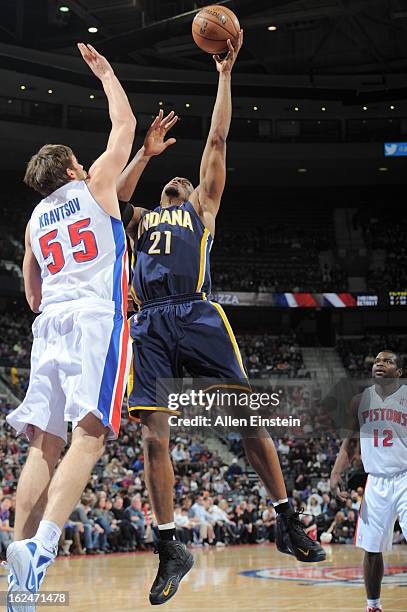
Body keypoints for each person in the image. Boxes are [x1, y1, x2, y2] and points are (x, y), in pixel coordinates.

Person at [118, 29, 324, 606]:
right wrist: (146, 153)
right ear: (162, 195)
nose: (178, 181)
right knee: (154, 440)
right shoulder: (138, 221)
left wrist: (225, 75)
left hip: (200, 313)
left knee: (245, 413)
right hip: (151, 322)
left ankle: (286, 520)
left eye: (183, 181)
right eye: (171, 182)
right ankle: (170, 547)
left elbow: (216, 138)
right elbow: (113, 199)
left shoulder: (203, 211)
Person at [5, 42, 135, 606]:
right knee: (91, 433)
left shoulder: (34, 220)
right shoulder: (94, 185)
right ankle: (44, 546)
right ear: (71, 167)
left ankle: (17, 568)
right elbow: (124, 123)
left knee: (43, 444)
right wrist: (106, 73)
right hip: (93, 322)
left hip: (49, 328)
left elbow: (31, 293)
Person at [330, 350, 407, 612]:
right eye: (376, 360)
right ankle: (373, 606)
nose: (380, 364)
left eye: (387, 361)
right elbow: (350, 444)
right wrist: (336, 474)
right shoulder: (360, 401)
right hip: (375, 481)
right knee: (372, 549)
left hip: (406, 476)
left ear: (399, 372)